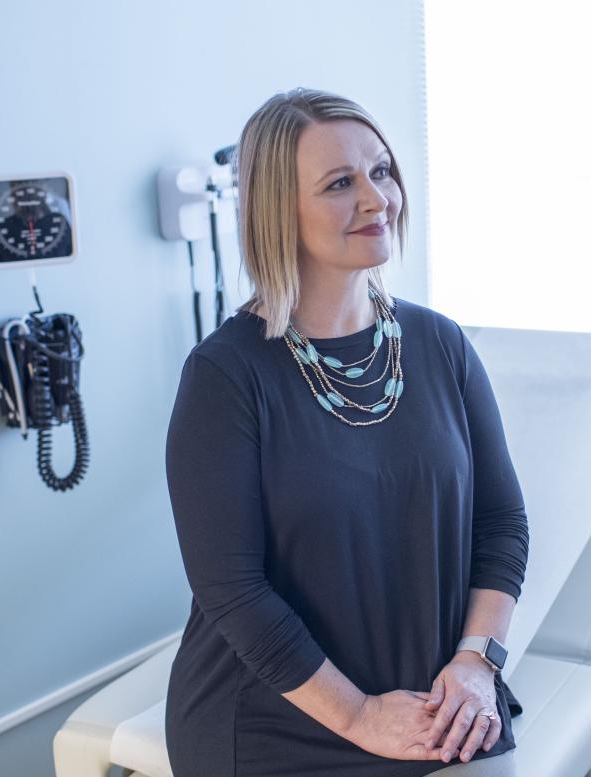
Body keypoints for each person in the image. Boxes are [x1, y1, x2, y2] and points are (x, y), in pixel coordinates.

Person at [164, 88, 529, 777]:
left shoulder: (439, 344)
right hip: (283, 718)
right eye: (339, 184)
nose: (376, 199)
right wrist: (360, 714)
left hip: (438, 704)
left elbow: (502, 522)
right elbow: (232, 588)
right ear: (278, 211)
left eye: (381, 171)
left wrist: (477, 661)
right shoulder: (225, 376)